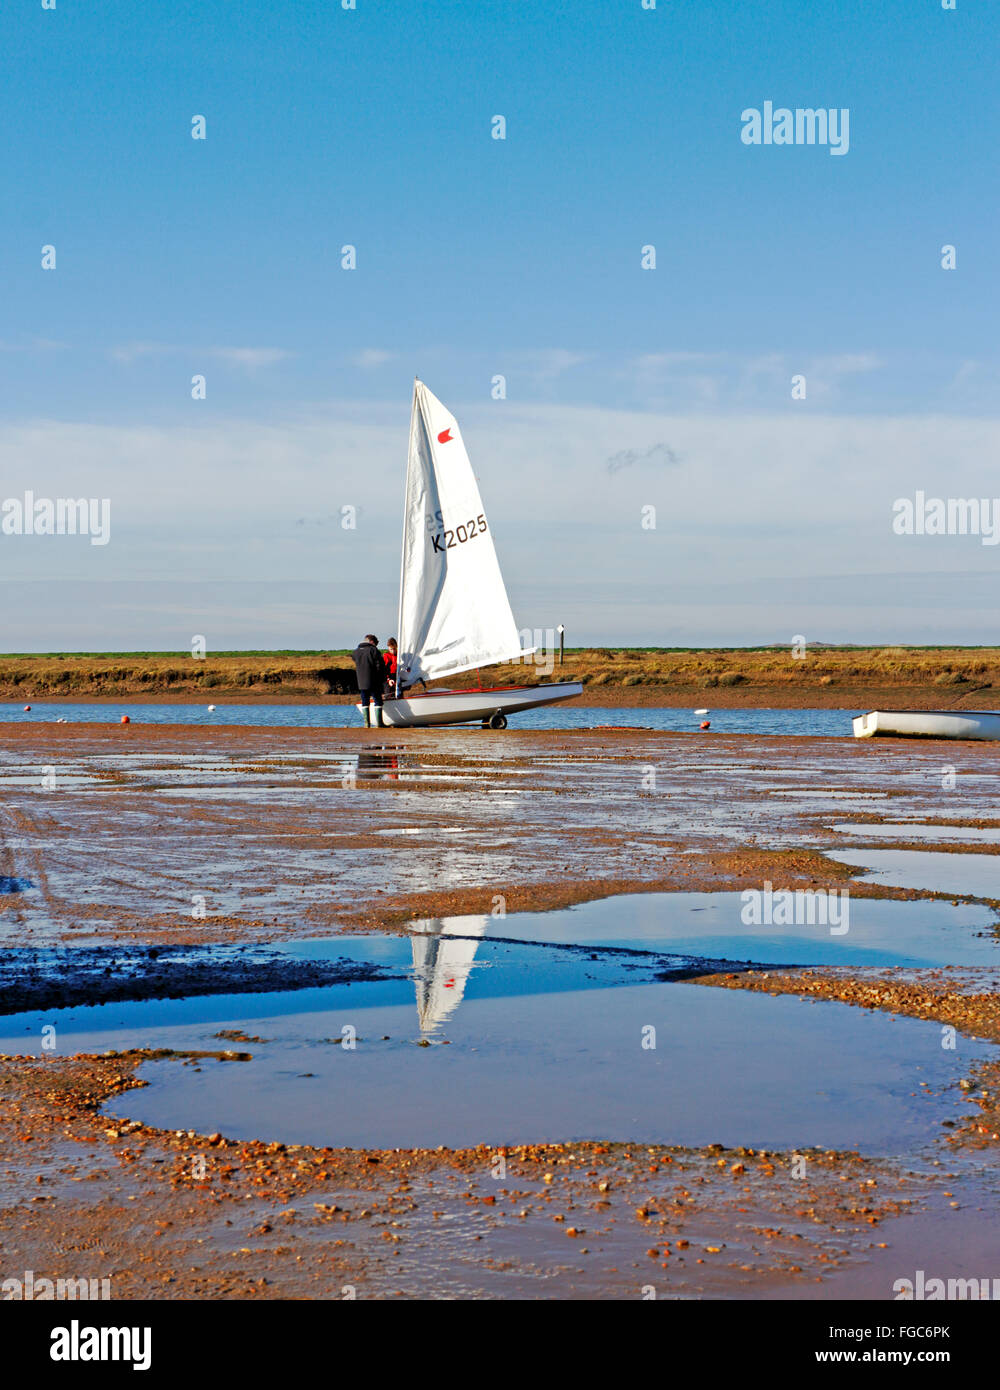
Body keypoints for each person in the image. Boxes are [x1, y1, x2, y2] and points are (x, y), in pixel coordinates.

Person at [352, 634, 385, 727]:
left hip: (361, 682)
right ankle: (379, 724)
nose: (376, 646)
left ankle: (367, 724)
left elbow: (355, 660)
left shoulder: (356, 652)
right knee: (378, 701)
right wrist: (382, 679)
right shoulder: (374, 650)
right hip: (374, 681)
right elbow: (380, 666)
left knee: (365, 701)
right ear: (371, 642)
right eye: (376, 644)